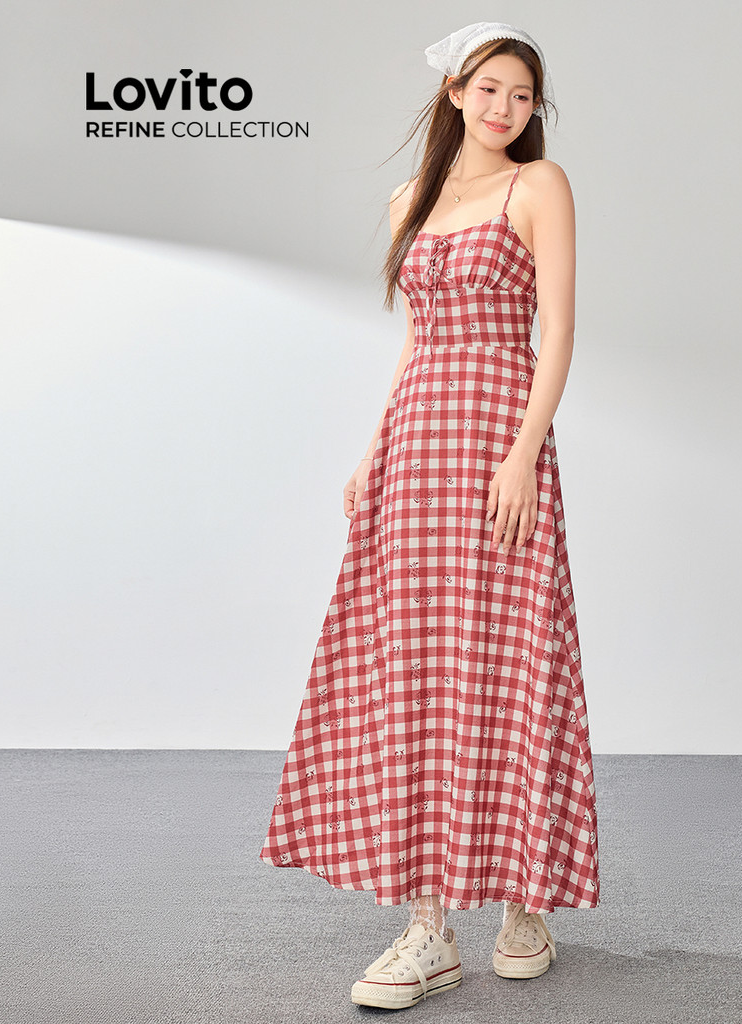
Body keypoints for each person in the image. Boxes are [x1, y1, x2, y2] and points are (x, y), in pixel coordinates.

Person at [258, 21, 600, 1010]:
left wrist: (524, 454)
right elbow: (416, 343)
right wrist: (374, 448)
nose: (505, 108)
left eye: (522, 95)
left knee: (511, 655)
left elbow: (557, 330)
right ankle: (427, 926)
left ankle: (525, 902)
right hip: (418, 446)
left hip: (499, 440)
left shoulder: (539, 186)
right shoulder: (409, 200)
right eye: (488, 89)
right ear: (454, 92)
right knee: (412, 663)